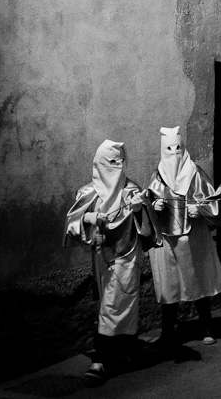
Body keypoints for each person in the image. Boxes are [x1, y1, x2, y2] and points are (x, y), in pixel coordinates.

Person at [64, 140, 159, 386]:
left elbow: (148, 229)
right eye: (111, 162)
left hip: (127, 256)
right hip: (101, 256)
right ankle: (115, 353)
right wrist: (92, 216)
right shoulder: (88, 193)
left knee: (118, 303)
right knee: (105, 303)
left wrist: (139, 209)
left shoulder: (131, 190)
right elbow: (72, 223)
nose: (116, 167)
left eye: (120, 162)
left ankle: (105, 357)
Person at [147, 127, 221, 348]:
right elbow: (147, 203)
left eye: (178, 148)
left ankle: (206, 326)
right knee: (169, 284)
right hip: (167, 239)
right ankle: (167, 331)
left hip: (194, 236)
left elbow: (212, 201)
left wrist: (199, 209)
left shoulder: (196, 173)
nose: (174, 153)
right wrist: (155, 205)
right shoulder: (157, 176)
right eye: (169, 149)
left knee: (199, 279)